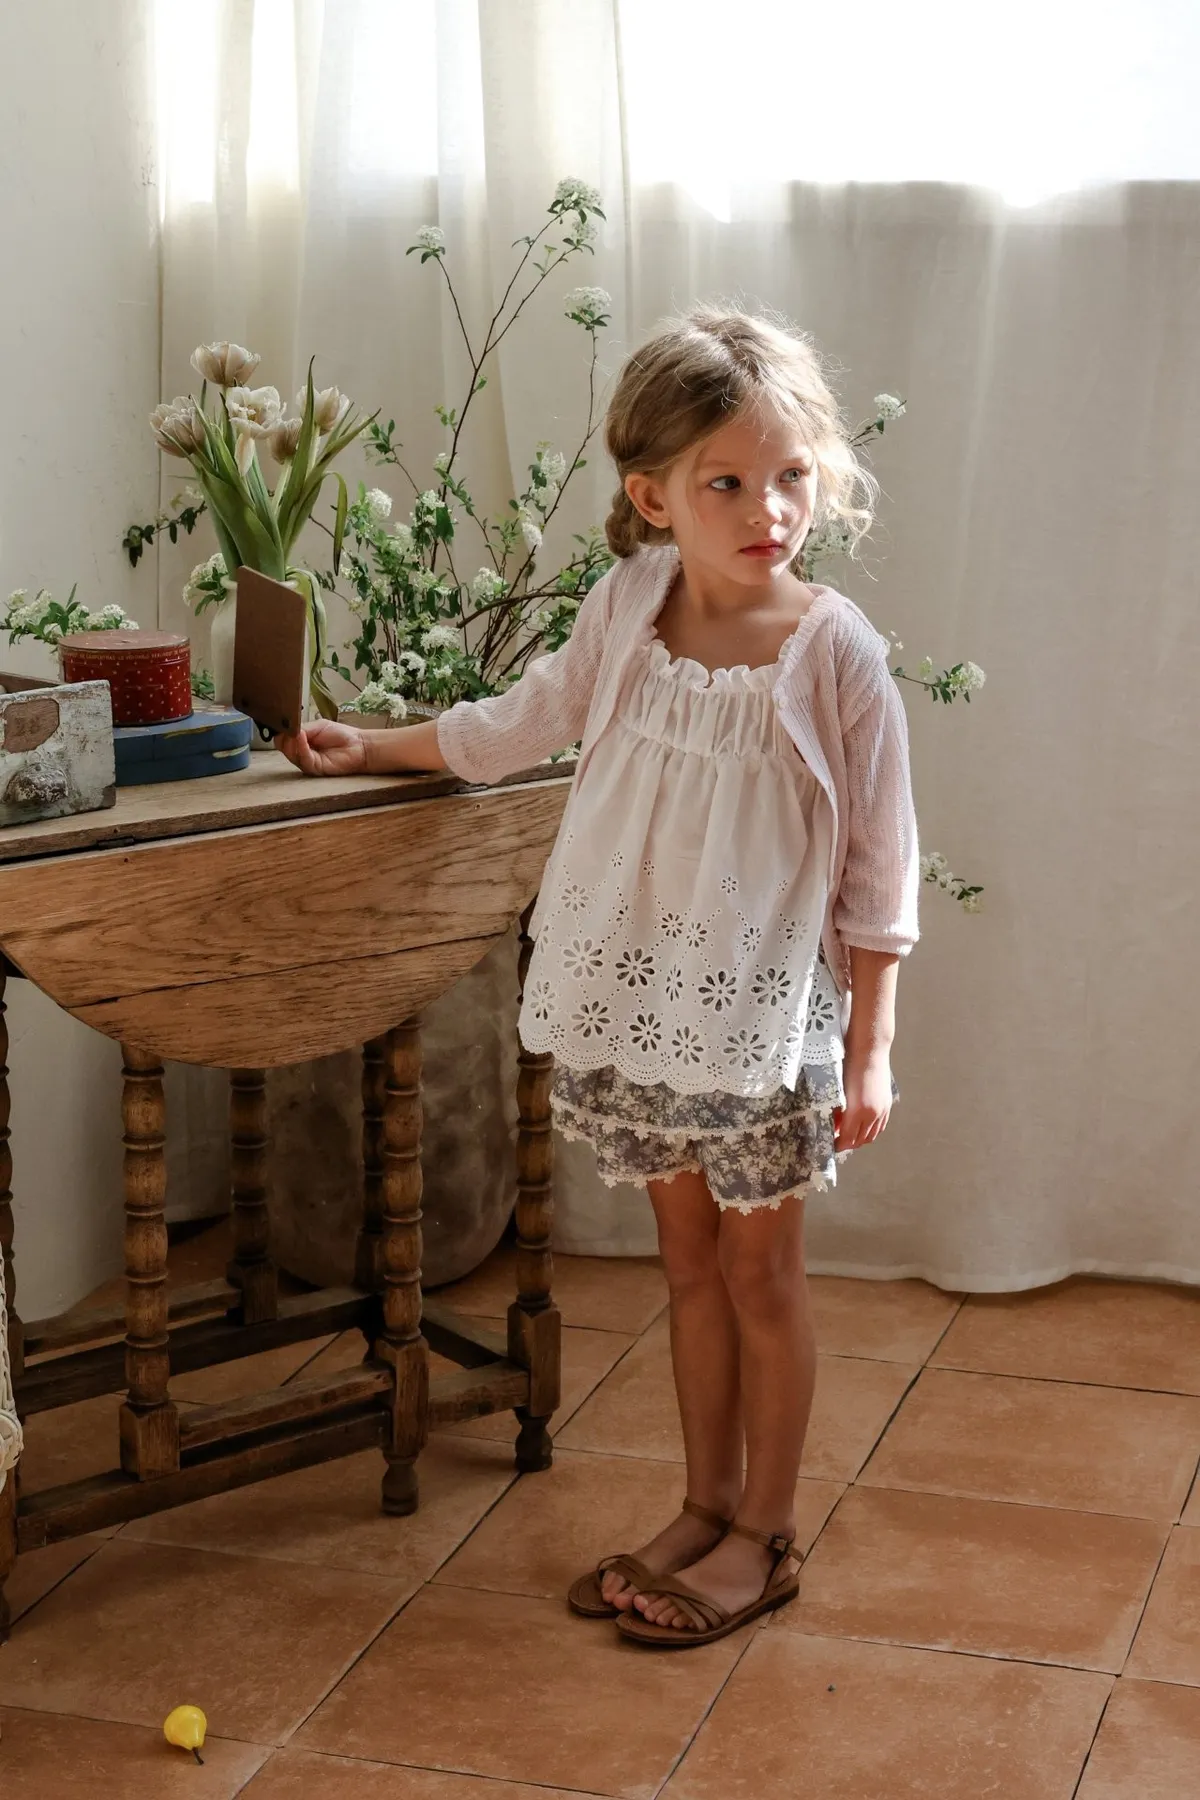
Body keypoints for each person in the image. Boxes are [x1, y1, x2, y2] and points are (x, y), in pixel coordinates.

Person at [277, 308, 920, 1649]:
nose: (767, 510)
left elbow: (879, 868)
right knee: (688, 1269)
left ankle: (765, 1533)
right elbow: (528, 720)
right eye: (727, 482)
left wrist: (869, 1048)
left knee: (762, 1277)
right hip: (645, 997)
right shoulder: (630, 603)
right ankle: (702, 1505)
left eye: (791, 475)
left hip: (759, 1019)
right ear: (654, 495)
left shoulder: (834, 652)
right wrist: (379, 746)